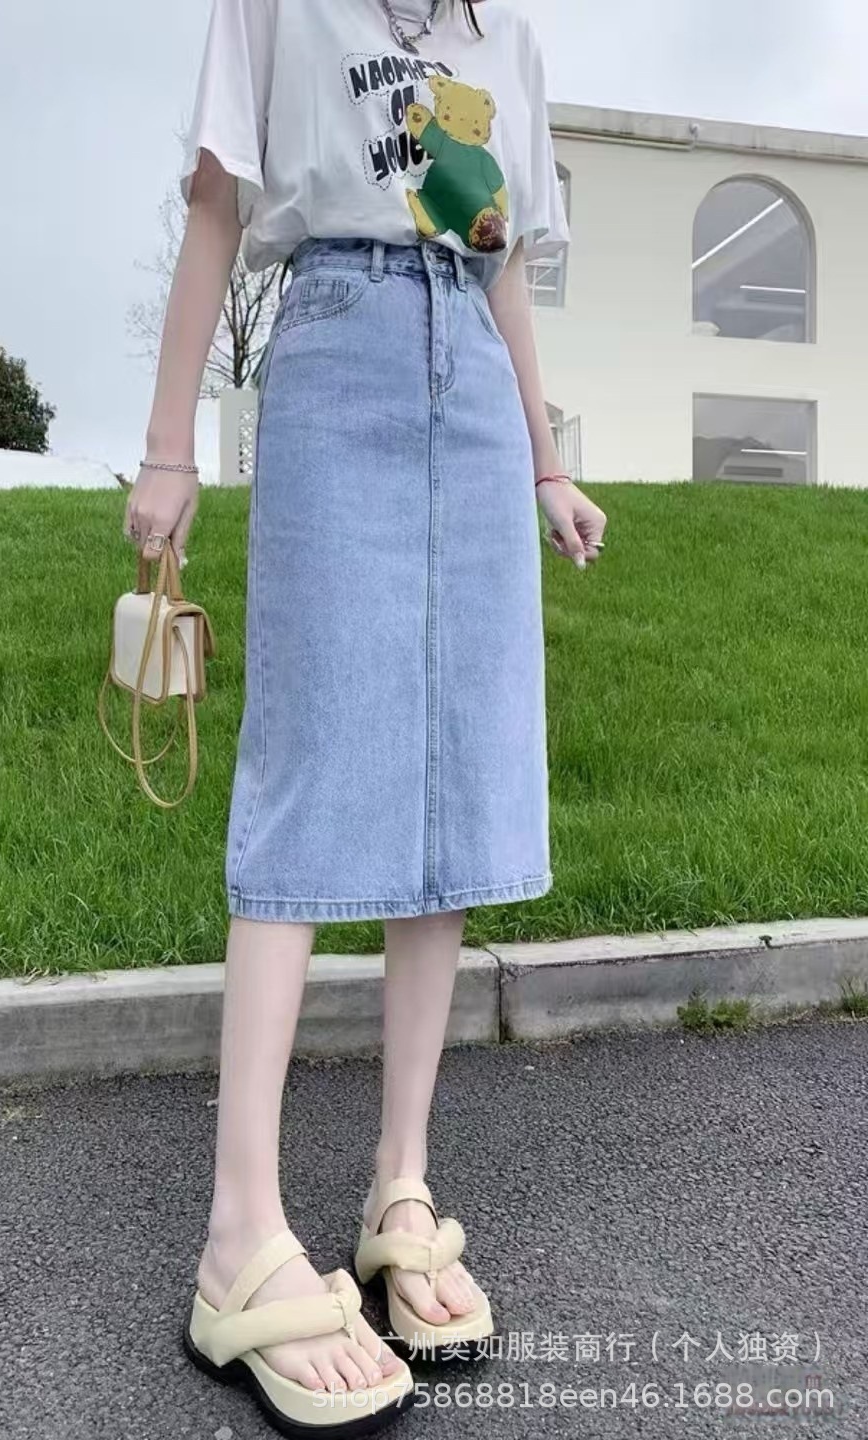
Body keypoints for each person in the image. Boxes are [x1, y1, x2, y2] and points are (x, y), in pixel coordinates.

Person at [124, 0, 607, 1432]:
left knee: (450, 781)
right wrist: (167, 447)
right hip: (337, 350)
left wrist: (544, 465)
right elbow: (215, 203)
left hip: (477, 388)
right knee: (311, 768)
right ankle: (240, 1233)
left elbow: (500, 258)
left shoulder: (505, 36)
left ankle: (402, 1183)